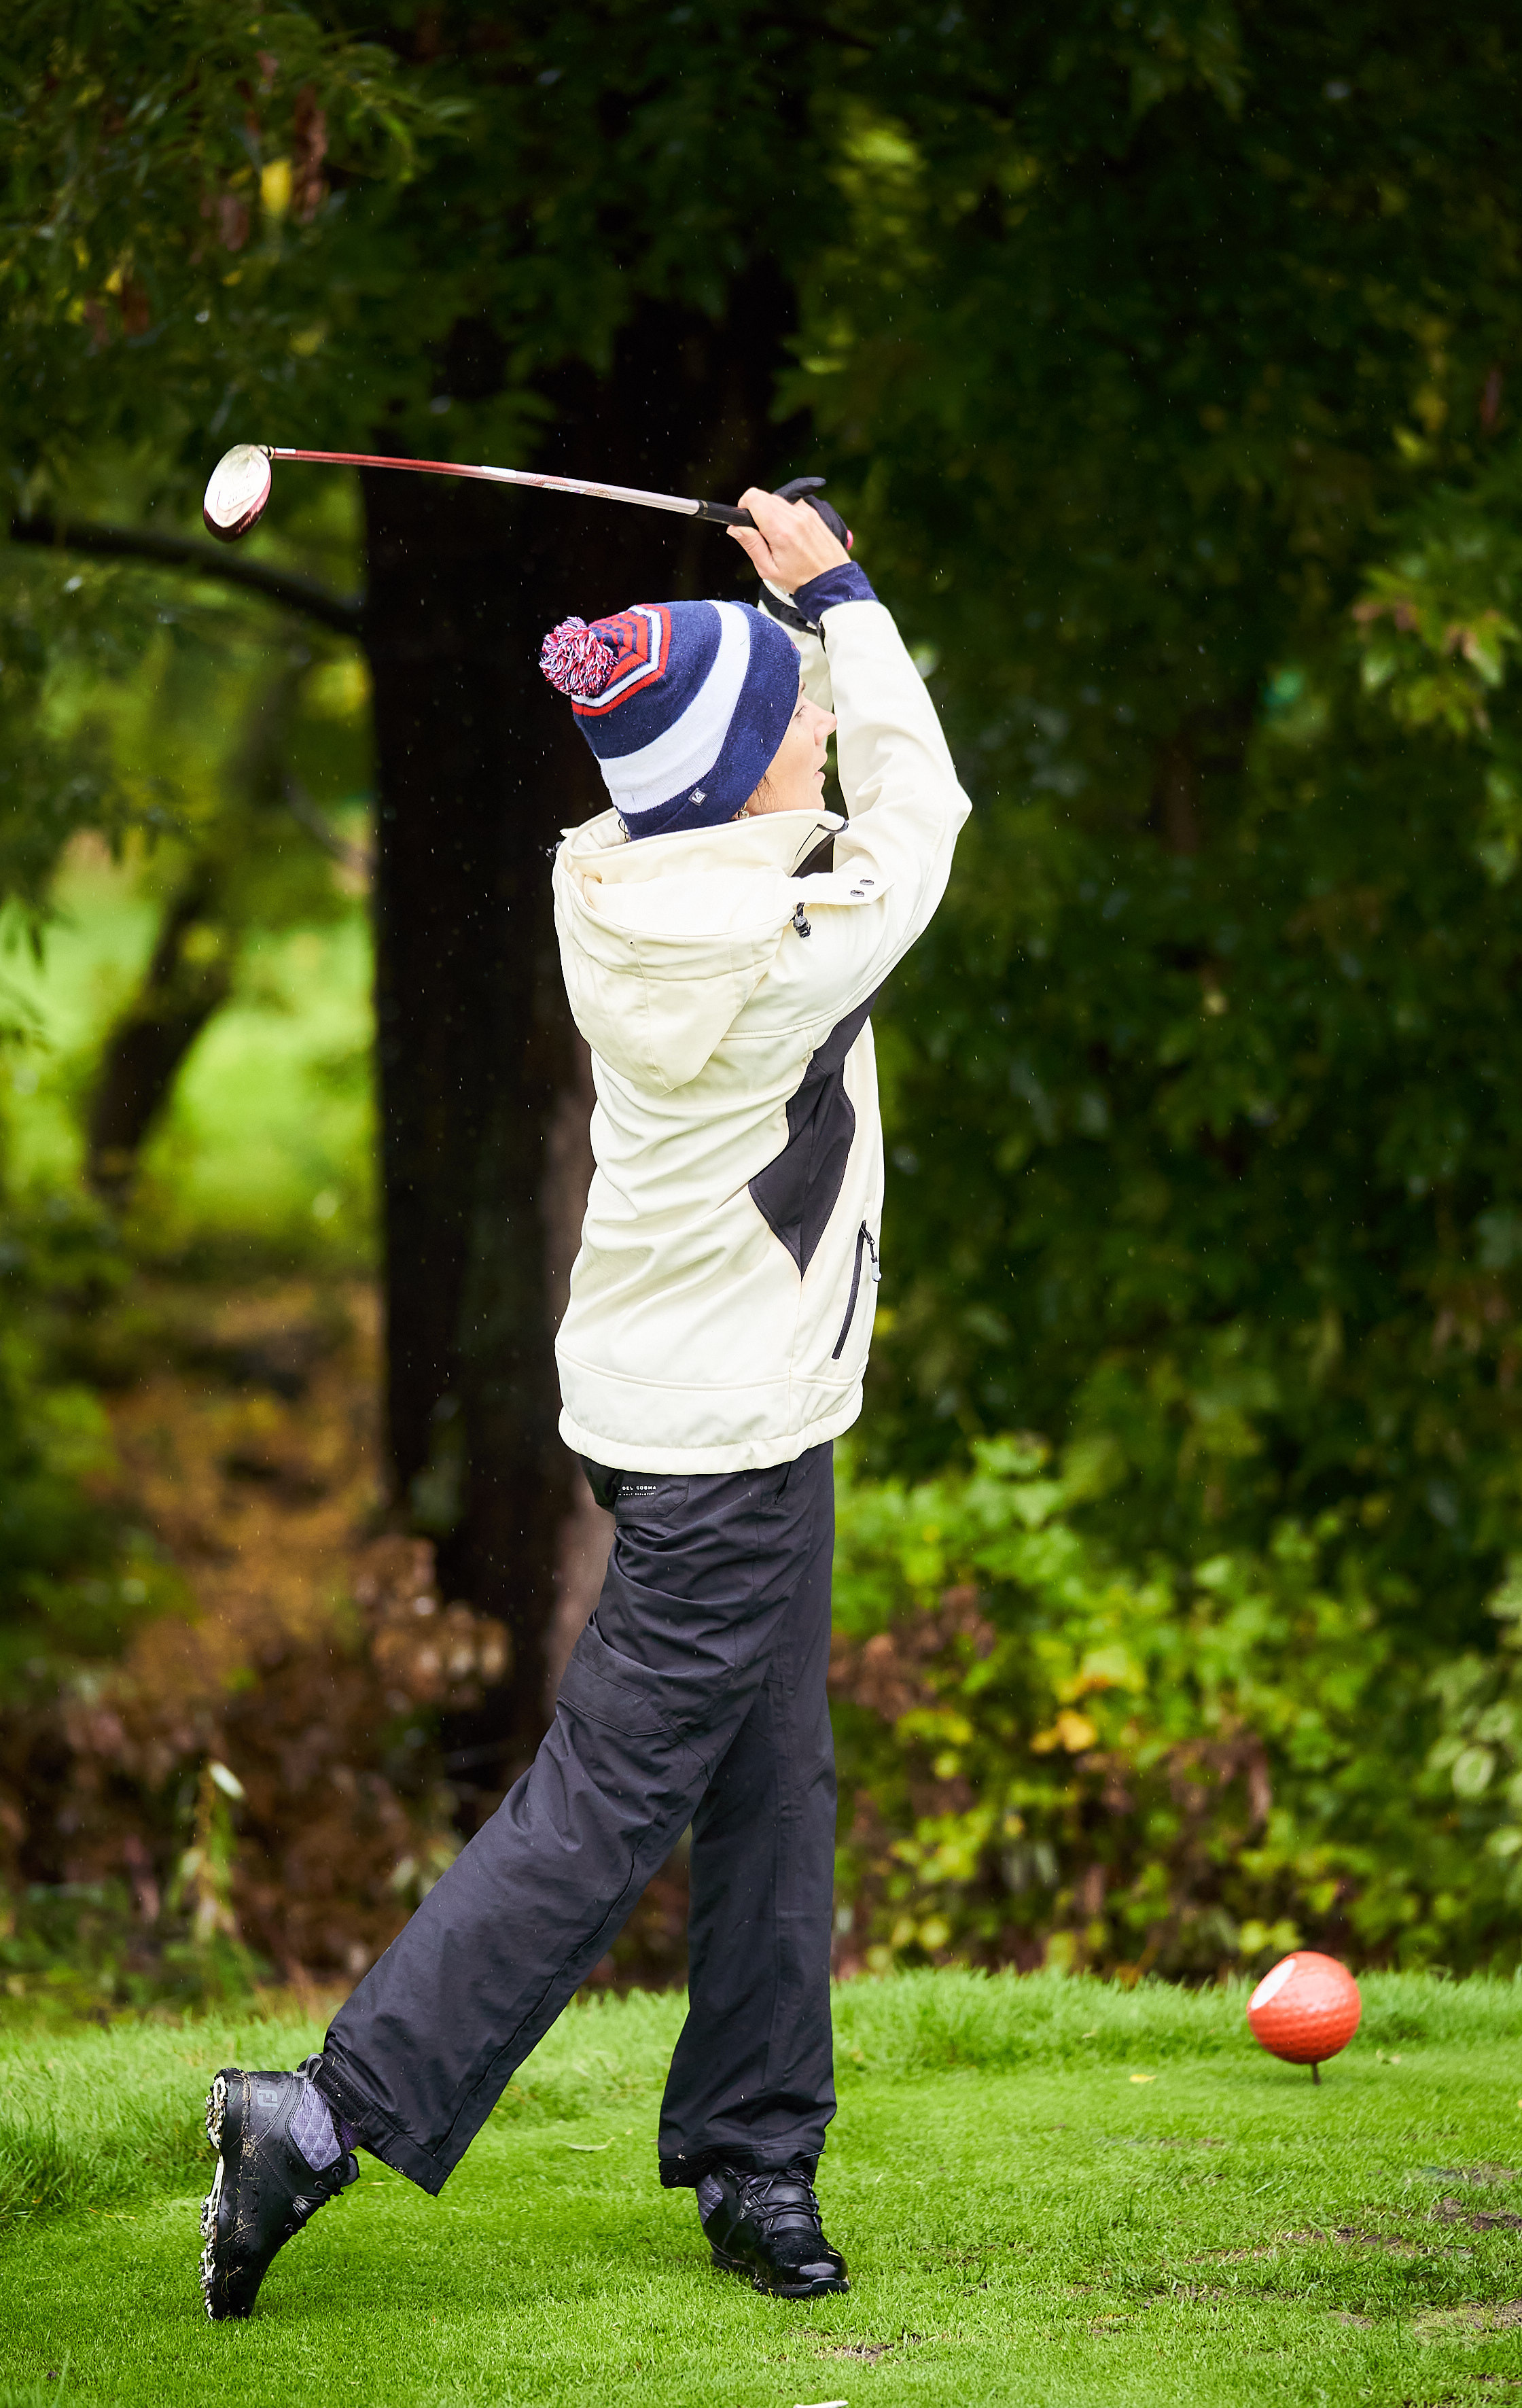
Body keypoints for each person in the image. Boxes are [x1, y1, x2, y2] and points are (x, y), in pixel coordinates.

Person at [198, 485, 972, 2320]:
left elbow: (778, 764)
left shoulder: (632, 863)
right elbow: (925, 806)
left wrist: (776, 645)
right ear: (759, 782)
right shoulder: (784, 932)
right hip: (721, 1440)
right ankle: (320, 2114)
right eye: (799, 723)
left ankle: (751, 2151)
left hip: (690, 1401)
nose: (827, 736)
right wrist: (844, 590)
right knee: (612, 1798)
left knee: (770, 1773)